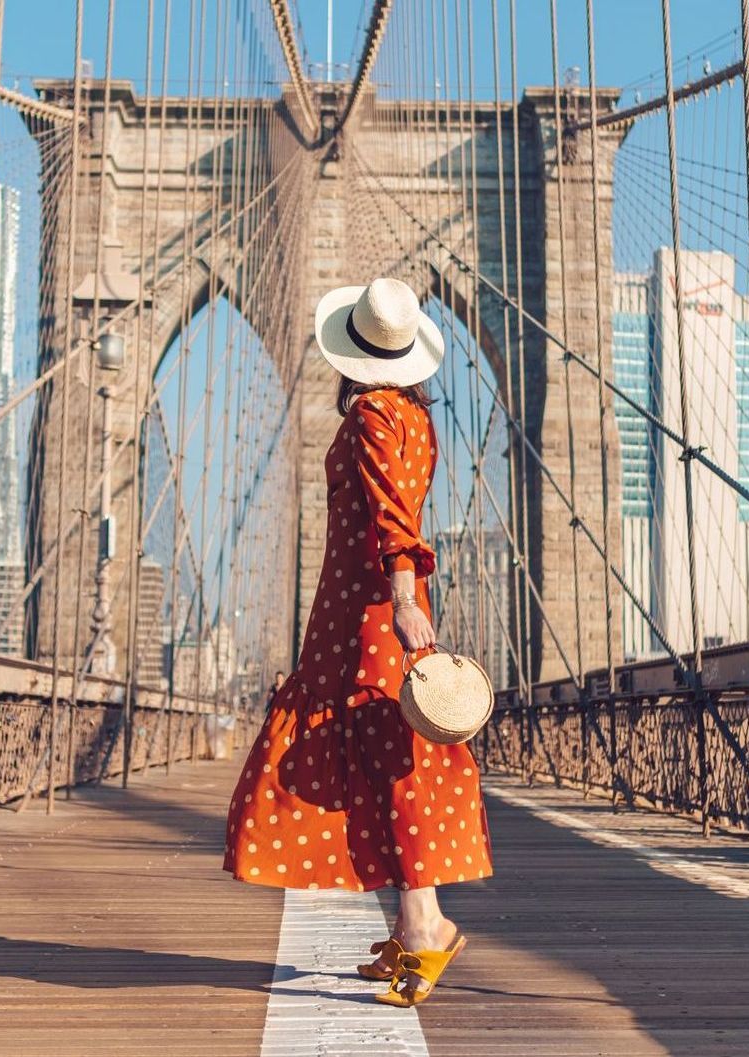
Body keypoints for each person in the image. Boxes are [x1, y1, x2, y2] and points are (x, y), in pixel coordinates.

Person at [224, 278, 491, 1008]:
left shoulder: (372, 414)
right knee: (389, 762)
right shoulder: (414, 417)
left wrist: (404, 598)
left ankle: (427, 921)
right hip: (364, 611)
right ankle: (414, 924)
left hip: (368, 615)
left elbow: (391, 512)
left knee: (388, 760)